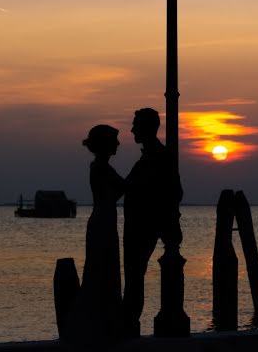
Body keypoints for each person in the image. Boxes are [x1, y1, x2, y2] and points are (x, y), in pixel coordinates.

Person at [122, 108, 183, 338]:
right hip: (141, 226)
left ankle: (129, 325)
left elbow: (175, 191)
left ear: (146, 128)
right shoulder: (150, 156)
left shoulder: (157, 156)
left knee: (134, 277)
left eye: (136, 125)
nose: (132, 129)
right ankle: (129, 322)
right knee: (133, 277)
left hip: (143, 228)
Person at [64, 124, 125, 345]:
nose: (118, 144)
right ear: (106, 145)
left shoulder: (100, 167)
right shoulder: (102, 168)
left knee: (101, 270)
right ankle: (97, 322)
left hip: (103, 222)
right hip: (102, 224)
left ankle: (101, 321)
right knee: (101, 271)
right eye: (114, 141)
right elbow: (123, 187)